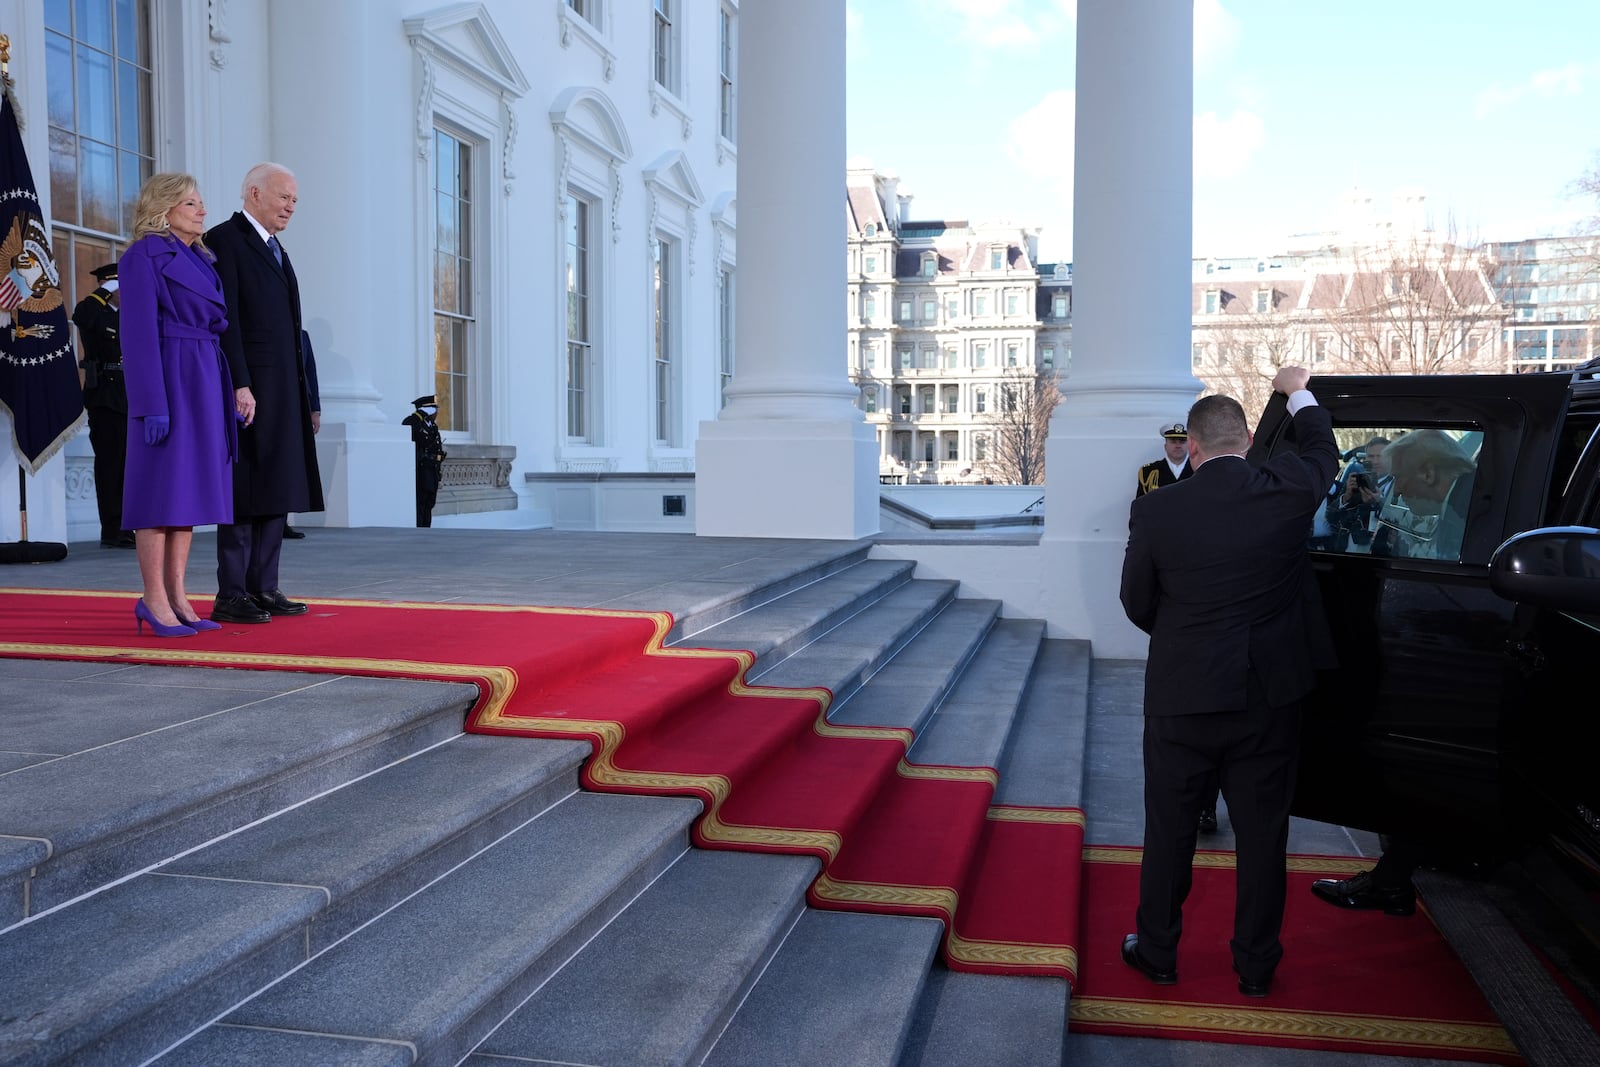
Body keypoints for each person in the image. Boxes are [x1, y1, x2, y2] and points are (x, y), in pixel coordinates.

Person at [1118, 366, 1339, 999]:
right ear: (1245, 439)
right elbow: (1322, 447)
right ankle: (1256, 966)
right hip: (1268, 698)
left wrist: (1188, 634)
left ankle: (1158, 952)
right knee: (1264, 836)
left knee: (1169, 832)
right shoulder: (1287, 487)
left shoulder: (1155, 508)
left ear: (1191, 445)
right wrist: (1296, 389)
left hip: (1183, 695)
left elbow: (1137, 603)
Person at [118, 173, 236, 638]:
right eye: (191, 203)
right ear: (164, 209)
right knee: (157, 495)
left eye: (202, 202)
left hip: (202, 375)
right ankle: (153, 600)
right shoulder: (142, 256)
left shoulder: (202, 258)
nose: (202, 210)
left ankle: (178, 596)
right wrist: (151, 404)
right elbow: (138, 335)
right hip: (169, 377)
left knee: (184, 494)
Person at [206, 162, 323, 624]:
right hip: (250, 386)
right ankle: (231, 592)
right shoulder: (225, 240)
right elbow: (227, 319)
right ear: (254, 193)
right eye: (284, 197)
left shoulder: (276, 247)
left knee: (276, 485)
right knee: (245, 486)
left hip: (284, 388)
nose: (291, 206)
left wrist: (307, 397)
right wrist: (239, 383)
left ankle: (264, 586)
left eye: (295, 199)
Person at [1134, 419, 1219, 833]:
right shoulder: (1149, 475)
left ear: (1193, 444)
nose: (1175, 447)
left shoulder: (1206, 475)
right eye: (1170, 442)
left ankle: (1204, 806)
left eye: (1182, 441)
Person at [73, 262, 134, 548]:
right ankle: (113, 528)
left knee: (128, 466)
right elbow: (80, 315)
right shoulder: (94, 312)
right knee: (111, 465)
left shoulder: (127, 316)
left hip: (128, 396)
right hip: (106, 398)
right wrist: (103, 291)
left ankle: (126, 524)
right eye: (121, 286)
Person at [1379, 429, 1476, 560]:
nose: (1396, 491)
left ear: (1428, 474)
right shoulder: (1463, 502)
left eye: (1400, 477)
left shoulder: (1465, 513)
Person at [283, 328, 322, 540]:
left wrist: (315, 410)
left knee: (292, 464)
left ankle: (283, 520)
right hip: (276, 406)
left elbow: (310, 371)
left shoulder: (302, 335)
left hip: (299, 406)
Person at [402, 394, 447, 527]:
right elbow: (407, 425)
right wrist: (419, 414)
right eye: (434, 410)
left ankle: (427, 529)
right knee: (421, 502)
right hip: (422, 470)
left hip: (432, 469)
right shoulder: (415, 422)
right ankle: (420, 529)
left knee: (430, 502)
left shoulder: (432, 426)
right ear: (427, 410)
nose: (437, 413)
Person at [1135, 421, 1193, 496]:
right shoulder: (1149, 472)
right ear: (1165, 446)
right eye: (1173, 441)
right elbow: (1141, 505)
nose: (1178, 446)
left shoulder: (1198, 471)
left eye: (1182, 441)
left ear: (1189, 445)